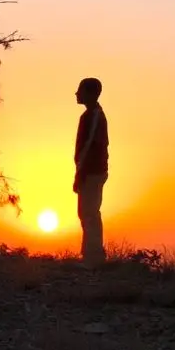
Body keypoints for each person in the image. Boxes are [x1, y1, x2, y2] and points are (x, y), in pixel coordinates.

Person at [72, 77, 108, 267]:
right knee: (86, 212)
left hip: (92, 171)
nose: (77, 93)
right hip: (92, 170)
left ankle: (93, 258)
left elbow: (89, 146)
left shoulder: (93, 116)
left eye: (80, 90)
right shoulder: (91, 115)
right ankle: (91, 255)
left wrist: (80, 173)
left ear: (91, 94)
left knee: (89, 213)